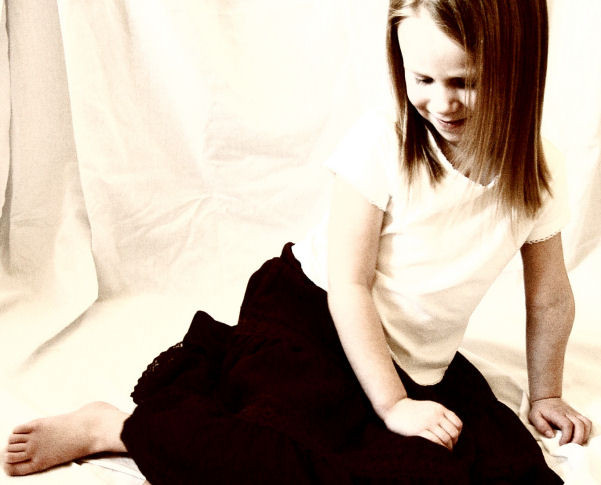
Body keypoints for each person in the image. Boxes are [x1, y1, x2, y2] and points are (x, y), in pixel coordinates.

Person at [3, 0, 593, 483]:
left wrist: (546, 393)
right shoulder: (382, 146)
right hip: (315, 318)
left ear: (518, 69)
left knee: (485, 469)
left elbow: (548, 297)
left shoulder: (538, 175)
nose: (441, 102)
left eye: (465, 82)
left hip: (412, 358)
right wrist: (392, 406)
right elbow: (350, 286)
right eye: (422, 80)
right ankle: (115, 428)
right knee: (273, 462)